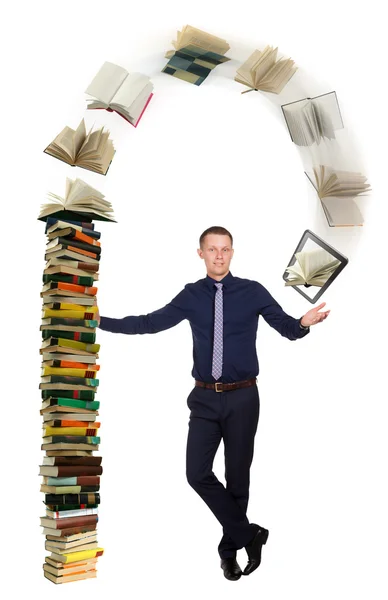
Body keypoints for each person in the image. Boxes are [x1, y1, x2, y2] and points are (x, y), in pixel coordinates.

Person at [96, 226, 330, 581]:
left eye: (225, 249)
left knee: (238, 480)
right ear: (200, 253)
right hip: (204, 398)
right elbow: (148, 323)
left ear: (232, 253)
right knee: (197, 474)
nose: (219, 255)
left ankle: (229, 553)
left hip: (243, 397)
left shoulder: (252, 292)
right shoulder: (191, 295)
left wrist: (303, 322)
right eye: (212, 249)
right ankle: (250, 534)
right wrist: (99, 321)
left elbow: (286, 327)